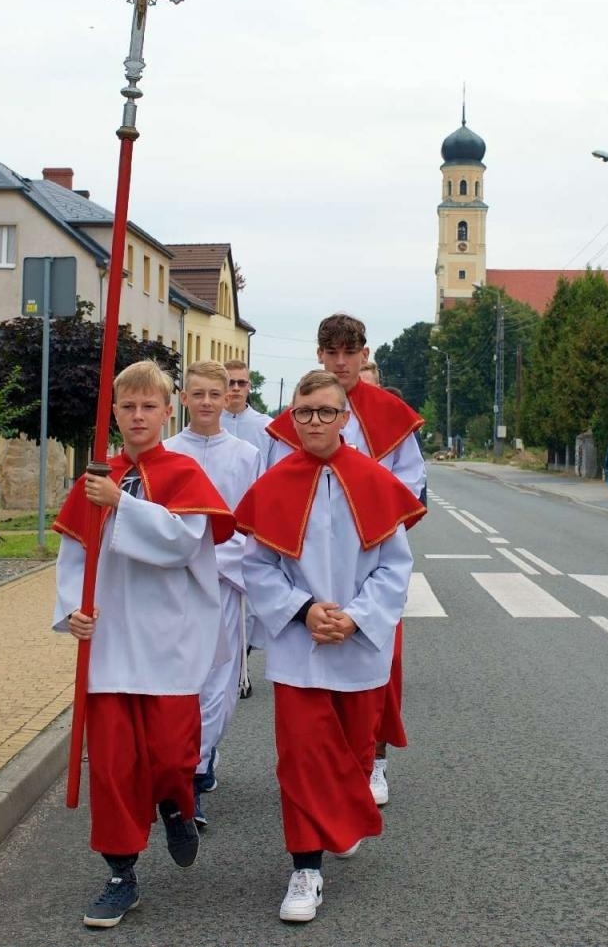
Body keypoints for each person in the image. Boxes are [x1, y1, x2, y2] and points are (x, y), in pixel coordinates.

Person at [51, 360, 235, 929]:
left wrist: (122, 504)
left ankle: (176, 800)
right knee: (111, 768)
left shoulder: (182, 473)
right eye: (127, 407)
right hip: (109, 642)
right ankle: (120, 873)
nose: (137, 416)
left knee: (172, 754)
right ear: (114, 412)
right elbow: (75, 555)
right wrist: (72, 613)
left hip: (166, 640)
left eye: (148, 406)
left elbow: (181, 543)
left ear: (166, 411)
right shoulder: (96, 480)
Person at [235, 370, 424, 924]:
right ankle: (306, 869)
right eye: (304, 413)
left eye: (325, 412)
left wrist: (356, 617)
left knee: (354, 754)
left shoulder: (375, 481)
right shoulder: (272, 484)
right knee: (299, 760)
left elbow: (395, 567)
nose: (314, 422)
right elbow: (257, 565)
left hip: (358, 648)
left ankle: (342, 816)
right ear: (291, 420)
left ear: (345, 418)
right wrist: (304, 609)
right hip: (299, 647)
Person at [263, 312, 425, 806]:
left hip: (367, 554)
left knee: (381, 660)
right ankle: (323, 780)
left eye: (349, 354)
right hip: (308, 561)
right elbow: (273, 489)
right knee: (308, 685)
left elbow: (413, 483)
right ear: (319, 355)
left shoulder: (390, 414)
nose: (340, 362)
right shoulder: (298, 417)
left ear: (363, 355)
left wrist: (368, 502)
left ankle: (371, 758)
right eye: (331, 353)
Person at [164, 360, 262, 829]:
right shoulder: (165, 453)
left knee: (219, 689)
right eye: (196, 394)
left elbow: (250, 524)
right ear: (184, 399)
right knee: (183, 683)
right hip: (175, 587)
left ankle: (202, 756)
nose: (205, 403)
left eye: (214, 394)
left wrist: (221, 563)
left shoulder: (245, 455)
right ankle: (191, 779)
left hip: (223, 583)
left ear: (228, 399)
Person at [220, 359, 273, 458]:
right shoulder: (209, 424)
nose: (236, 388)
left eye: (241, 383)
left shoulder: (267, 427)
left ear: (249, 386)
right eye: (230, 383)